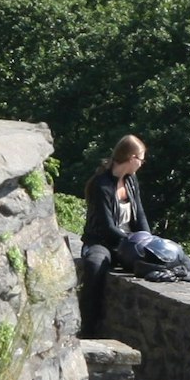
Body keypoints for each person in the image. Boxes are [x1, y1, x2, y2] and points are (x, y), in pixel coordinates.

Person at [79, 134, 150, 336]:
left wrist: (147, 240)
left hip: (128, 240)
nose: (142, 164)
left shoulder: (131, 181)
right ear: (131, 158)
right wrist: (130, 243)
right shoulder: (101, 185)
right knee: (95, 265)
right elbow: (106, 225)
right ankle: (88, 327)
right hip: (101, 240)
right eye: (141, 159)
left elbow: (140, 215)